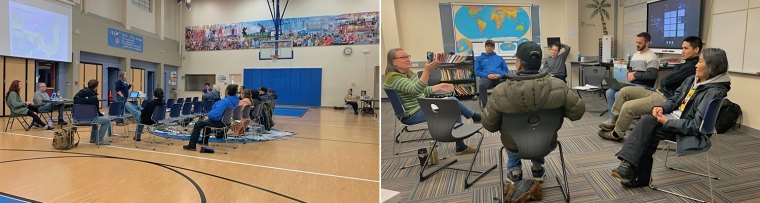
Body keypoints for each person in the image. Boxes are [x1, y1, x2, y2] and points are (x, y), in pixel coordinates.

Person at [611, 48, 731, 188]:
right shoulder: (692, 80)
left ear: (712, 65)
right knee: (647, 124)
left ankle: (633, 170)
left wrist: (668, 122)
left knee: (647, 129)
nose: (696, 65)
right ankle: (632, 170)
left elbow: (696, 126)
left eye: (700, 61)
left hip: (687, 131)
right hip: (674, 119)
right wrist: (662, 108)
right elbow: (674, 100)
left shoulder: (713, 91)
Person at [482, 41, 585, 182]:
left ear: (518, 64)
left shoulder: (500, 91)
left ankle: (514, 170)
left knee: (513, 134)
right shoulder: (559, 86)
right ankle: (537, 167)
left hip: (514, 145)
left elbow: (490, 126)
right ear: (539, 63)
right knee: (537, 131)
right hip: (546, 142)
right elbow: (577, 113)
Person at [599, 36, 703, 141]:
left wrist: (666, 79)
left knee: (627, 107)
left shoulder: (692, 66)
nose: (682, 51)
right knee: (624, 91)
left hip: (666, 98)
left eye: (686, 48)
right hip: (658, 92)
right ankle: (614, 120)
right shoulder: (686, 64)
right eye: (682, 48)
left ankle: (617, 134)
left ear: (696, 49)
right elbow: (666, 81)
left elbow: (665, 81)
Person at [383, 48, 481, 155]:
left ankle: (467, 132)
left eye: (408, 56)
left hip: (422, 105)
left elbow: (422, 90)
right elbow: (416, 90)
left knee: (451, 103)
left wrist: (439, 86)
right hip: (411, 115)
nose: (407, 59)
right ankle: (470, 125)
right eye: (403, 57)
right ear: (394, 62)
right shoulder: (394, 78)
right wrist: (426, 71)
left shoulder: (408, 73)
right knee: (452, 104)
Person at [605, 32, 659, 121]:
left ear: (647, 43)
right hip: (631, 85)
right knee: (610, 92)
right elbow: (630, 69)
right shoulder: (635, 55)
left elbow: (652, 75)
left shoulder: (652, 57)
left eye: (640, 43)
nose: (637, 44)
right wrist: (628, 74)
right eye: (636, 42)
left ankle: (620, 122)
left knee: (619, 94)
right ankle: (612, 119)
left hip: (644, 87)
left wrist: (635, 75)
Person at [183, 84, 240, 151]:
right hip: (227, 122)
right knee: (207, 122)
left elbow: (215, 115)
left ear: (227, 91)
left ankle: (192, 145)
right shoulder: (235, 101)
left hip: (220, 122)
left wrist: (208, 114)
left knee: (198, 124)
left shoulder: (225, 102)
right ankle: (204, 141)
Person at [73, 80, 112, 145]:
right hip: (91, 119)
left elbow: (77, 100)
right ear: (96, 87)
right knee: (106, 120)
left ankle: (92, 139)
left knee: (94, 118)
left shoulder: (77, 98)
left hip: (77, 120)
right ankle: (99, 140)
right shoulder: (94, 99)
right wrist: (101, 115)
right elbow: (97, 112)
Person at [475, 39, 509, 107]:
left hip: (499, 78)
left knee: (509, 83)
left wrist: (500, 75)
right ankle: (485, 105)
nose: (489, 47)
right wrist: (488, 75)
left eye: (491, 46)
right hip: (487, 78)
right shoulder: (479, 58)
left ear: (494, 48)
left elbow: (505, 70)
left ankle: (505, 105)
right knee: (482, 85)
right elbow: (477, 72)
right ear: (485, 47)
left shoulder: (500, 58)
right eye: (488, 46)